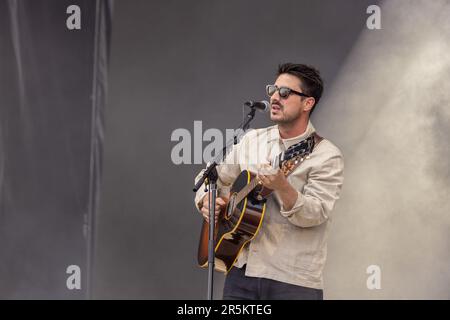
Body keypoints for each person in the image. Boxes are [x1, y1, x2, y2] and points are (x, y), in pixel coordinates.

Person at [194, 63, 344, 300]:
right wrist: (208, 199)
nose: (275, 97)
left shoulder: (326, 155)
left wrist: (283, 187)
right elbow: (210, 177)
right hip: (241, 273)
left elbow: (315, 214)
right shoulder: (252, 140)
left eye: (285, 93)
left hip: (293, 281)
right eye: (273, 90)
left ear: (308, 103)